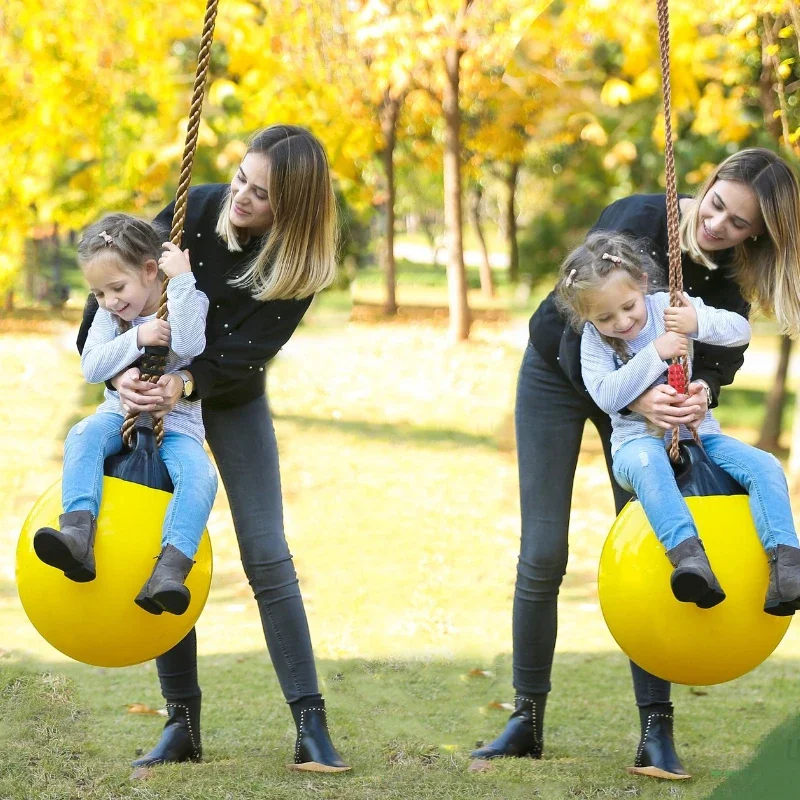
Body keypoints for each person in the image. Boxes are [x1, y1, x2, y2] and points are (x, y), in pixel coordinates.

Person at [472, 148, 800, 779]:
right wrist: (640, 387)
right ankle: (526, 718)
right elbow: (579, 322)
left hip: (655, 421)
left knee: (658, 547)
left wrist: (695, 393)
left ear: (757, 232)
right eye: (716, 206)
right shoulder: (637, 218)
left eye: (738, 223)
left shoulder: (734, 274)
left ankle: (655, 730)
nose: (718, 226)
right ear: (704, 188)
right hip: (561, 376)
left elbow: (721, 357)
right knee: (543, 549)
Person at [76, 126, 350, 772]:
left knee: (265, 551)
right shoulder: (193, 210)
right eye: (241, 181)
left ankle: (310, 725)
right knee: (160, 546)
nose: (242, 199)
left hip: (227, 400)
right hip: (149, 397)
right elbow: (109, 290)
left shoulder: (299, 268)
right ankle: (182, 724)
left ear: (293, 208)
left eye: (261, 194)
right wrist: (123, 377)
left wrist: (181, 383)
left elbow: (244, 358)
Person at [556, 231, 800, 614]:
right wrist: (656, 352)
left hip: (701, 435)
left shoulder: (668, 307)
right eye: (604, 317)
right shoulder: (594, 341)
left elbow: (741, 332)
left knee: (765, 465)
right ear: (586, 316)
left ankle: (787, 566)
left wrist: (696, 321)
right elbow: (605, 395)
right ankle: (690, 561)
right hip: (637, 446)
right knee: (650, 465)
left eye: (628, 307)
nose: (621, 322)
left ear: (642, 283)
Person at [36, 214, 216, 615]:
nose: (109, 301)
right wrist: (136, 337)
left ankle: (169, 570)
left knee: (201, 476)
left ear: (151, 271)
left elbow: (189, 345)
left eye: (116, 288)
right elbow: (92, 367)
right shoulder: (111, 317)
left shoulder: (187, 300)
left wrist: (183, 280)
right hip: (121, 414)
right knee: (83, 435)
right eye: (98, 293)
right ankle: (78, 536)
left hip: (179, 428)